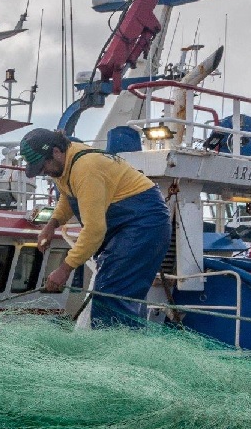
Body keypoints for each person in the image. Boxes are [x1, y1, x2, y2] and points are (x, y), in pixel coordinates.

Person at [22, 127, 172, 327]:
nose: (44, 172)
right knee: (116, 293)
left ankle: (118, 345)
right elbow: (68, 194)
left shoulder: (86, 168)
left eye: (43, 166)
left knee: (111, 294)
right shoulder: (65, 162)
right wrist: (52, 224)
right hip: (126, 225)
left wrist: (65, 269)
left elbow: (94, 230)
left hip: (144, 222)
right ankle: (125, 340)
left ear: (56, 152)